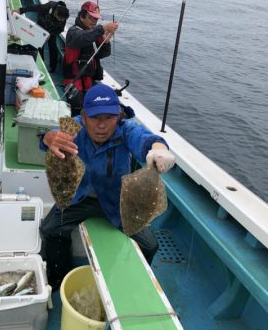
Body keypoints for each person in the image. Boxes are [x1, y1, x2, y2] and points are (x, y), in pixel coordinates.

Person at [39, 84, 176, 289]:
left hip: (117, 202)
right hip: (79, 197)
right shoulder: (74, 128)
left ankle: (126, 282)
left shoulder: (126, 130)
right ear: (84, 118)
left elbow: (147, 140)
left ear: (118, 116)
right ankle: (59, 277)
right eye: (95, 118)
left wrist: (159, 150)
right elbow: (50, 138)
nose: (102, 125)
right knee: (50, 229)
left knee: (149, 245)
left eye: (108, 118)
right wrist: (47, 137)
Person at [62, 1, 119, 116]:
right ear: (82, 16)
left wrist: (106, 41)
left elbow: (102, 54)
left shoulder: (94, 33)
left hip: (89, 80)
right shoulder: (73, 32)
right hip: (74, 80)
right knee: (77, 109)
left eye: (96, 19)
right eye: (91, 18)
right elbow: (82, 38)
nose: (94, 21)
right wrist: (102, 29)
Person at [14, 1, 69, 73]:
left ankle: (53, 68)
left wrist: (50, 34)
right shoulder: (48, 6)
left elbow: (61, 29)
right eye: (60, 19)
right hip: (42, 26)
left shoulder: (63, 16)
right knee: (39, 45)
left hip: (52, 31)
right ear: (56, 12)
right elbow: (34, 7)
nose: (61, 20)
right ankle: (41, 63)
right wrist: (20, 10)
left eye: (63, 19)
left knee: (53, 46)